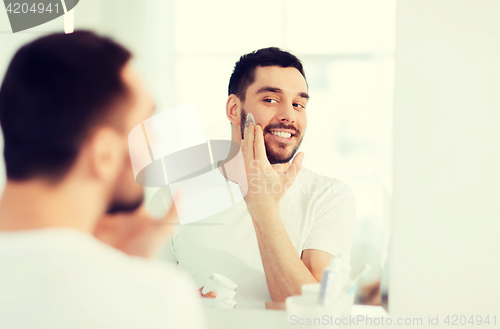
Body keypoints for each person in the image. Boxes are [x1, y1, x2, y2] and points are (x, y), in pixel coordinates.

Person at [0, 31, 205, 328]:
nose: (155, 140)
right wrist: (135, 278)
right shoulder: (157, 299)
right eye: (146, 124)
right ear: (105, 154)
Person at [150, 47, 357, 305]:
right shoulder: (173, 198)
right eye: (270, 100)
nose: (289, 115)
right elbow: (144, 303)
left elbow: (312, 312)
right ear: (234, 109)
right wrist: (182, 310)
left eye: (299, 104)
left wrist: (263, 207)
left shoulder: (329, 197)